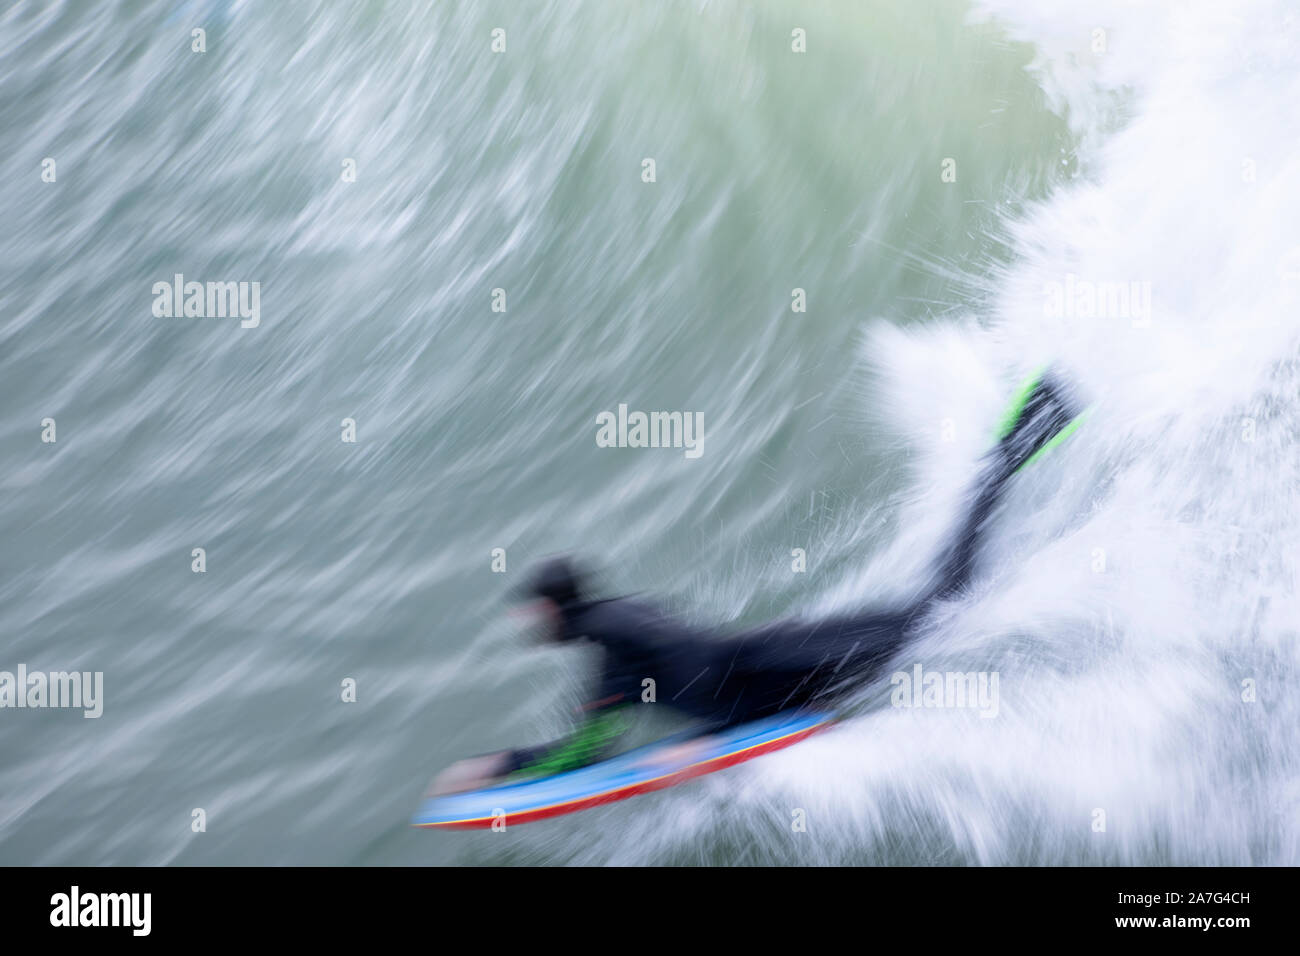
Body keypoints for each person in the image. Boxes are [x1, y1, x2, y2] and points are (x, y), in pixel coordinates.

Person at [429, 370, 1084, 795]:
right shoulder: (609, 651)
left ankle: (1007, 453)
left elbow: (691, 656)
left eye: (529, 612)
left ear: (551, 608)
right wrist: (499, 768)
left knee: (946, 611)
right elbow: (583, 752)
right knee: (937, 608)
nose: (524, 624)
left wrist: (702, 746)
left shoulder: (610, 629)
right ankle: (1009, 449)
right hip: (777, 662)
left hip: (778, 666)